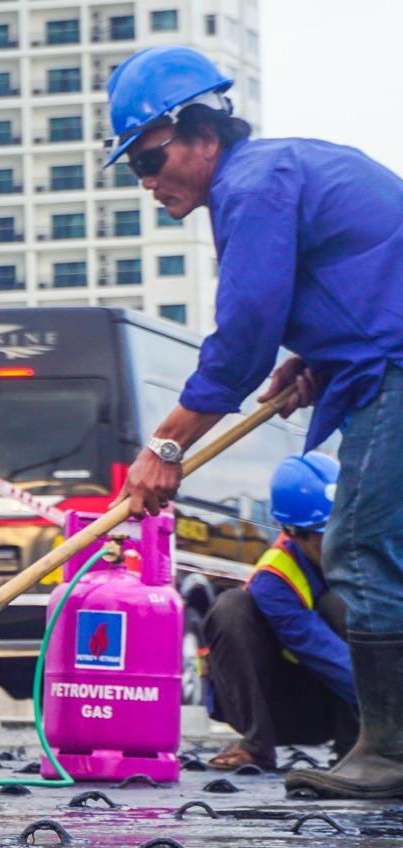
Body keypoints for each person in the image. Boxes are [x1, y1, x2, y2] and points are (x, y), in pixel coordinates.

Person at [105, 45, 403, 799]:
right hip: (380, 354)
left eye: (150, 158)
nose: (146, 182)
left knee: (362, 547)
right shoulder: (272, 175)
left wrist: (165, 445)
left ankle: (392, 755)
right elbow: (357, 281)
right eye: (135, 169)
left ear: (203, 134)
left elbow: (240, 342)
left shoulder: (254, 184)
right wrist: (319, 357)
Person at [202, 454, 357, 770]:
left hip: (347, 707)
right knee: (231, 607)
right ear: (295, 533)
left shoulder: (369, 554)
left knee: (343, 605)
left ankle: (358, 748)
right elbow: (324, 653)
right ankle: (256, 746)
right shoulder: (274, 580)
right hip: (286, 705)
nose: (337, 541)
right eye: (324, 533)